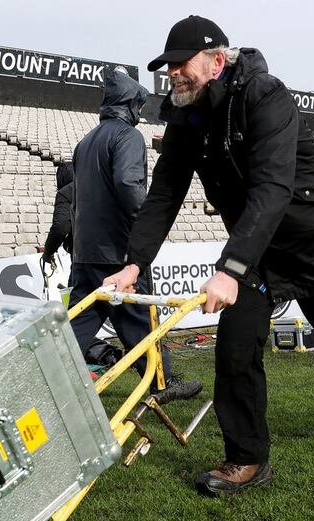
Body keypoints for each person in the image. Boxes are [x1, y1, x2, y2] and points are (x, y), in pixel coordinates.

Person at [104, 15, 314, 497]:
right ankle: (246, 458)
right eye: (167, 69)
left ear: (217, 61)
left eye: (181, 65)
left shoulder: (266, 96)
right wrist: (133, 263)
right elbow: (164, 192)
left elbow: (272, 188)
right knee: (235, 345)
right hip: (259, 254)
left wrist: (228, 268)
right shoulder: (186, 114)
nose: (173, 76)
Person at [69, 68, 202, 405]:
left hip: (85, 249)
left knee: (78, 323)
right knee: (141, 316)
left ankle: (47, 377)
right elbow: (129, 185)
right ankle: (162, 383)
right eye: (138, 106)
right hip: (117, 249)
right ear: (129, 104)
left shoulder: (86, 141)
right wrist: (146, 229)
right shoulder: (127, 137)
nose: (140, 113)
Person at [41, 162, 75, 267]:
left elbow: (61, 227)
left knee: (76, 283)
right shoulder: (99, 186)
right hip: (118, 252)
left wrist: (48, 252)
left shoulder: (66, 192)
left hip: (86, 256)